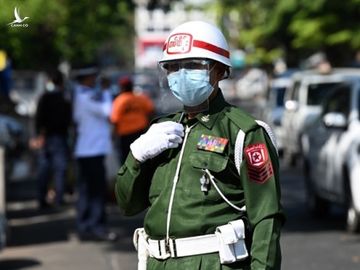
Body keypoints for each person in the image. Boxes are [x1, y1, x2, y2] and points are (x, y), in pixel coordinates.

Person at [115, 21, 285, 270]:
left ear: (219, 70)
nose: (182, 75)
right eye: (173, 67)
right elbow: (127, 204)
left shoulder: (243, 133)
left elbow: (266, 217)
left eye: (193, 65)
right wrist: (136, 155)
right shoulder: (161, 132)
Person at [72, 66, 117, 242]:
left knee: (86, 191)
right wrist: (106, 92)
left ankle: (85, 227)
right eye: (92, 78)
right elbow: (109, 112)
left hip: (88, 151)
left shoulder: (81, 95)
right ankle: (96, 227)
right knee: (96, 192)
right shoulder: (86, 96)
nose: (94, 81)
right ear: (85, 79)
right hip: (92, 151)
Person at [32, 70, 72, 209]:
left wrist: (38, 136)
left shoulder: (44, 97)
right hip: (60, 138)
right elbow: (69, 120)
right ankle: (59, 199)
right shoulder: (64, 98)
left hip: (45, 138)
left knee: (44, 169)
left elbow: (38, 118)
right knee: (59, 170)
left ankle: (41, 199)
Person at [110, 76, 154, 164]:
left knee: (127, 159)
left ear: (121, 87)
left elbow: (115, 120)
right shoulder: (140, 98)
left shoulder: (119, 100)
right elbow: (151, 111)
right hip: (140, 132)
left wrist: (113, 135)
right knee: (142, 157)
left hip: (125, 135)